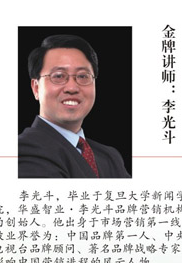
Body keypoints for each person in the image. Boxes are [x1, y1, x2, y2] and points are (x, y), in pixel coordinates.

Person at [19, 34, 130, 178]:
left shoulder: (109, 157)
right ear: (36, 88)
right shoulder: (25, 151)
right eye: (59, 76)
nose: (72, 88)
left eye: (83, 76)